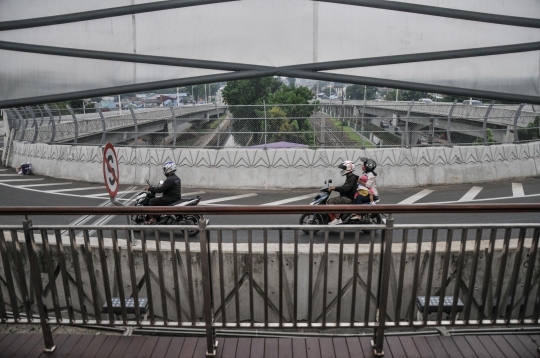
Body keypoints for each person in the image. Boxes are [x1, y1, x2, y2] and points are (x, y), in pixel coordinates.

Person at [327, 160, 359, 225]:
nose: (342, 170)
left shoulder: (352, 178)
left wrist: (335, 188)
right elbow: (344, 187)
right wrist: (335, 188)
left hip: (348, 198)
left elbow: (346, 188)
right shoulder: (349, 177)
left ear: (349, 168)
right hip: (346, 196)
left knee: (331, 201)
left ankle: (337, 219)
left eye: (344, 168)